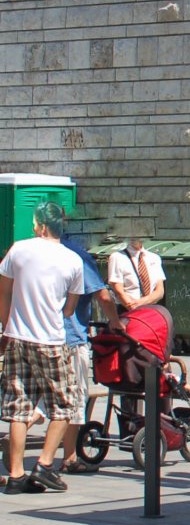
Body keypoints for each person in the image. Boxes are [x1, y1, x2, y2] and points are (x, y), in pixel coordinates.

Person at [0, 202, 84, 494]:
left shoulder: (18, 250)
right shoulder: (72, 261)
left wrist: (7, 328)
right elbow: (70, 309)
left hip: (16, 338)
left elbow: (4, 293)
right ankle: (45, 465)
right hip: (50, 340)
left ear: (41, 226)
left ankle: (15, 474)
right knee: (65, 404)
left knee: (18, 407)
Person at [54, 226, 115, 473]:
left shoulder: (33, 251)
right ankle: (68, 457)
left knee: (39, 400)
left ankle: (17, 440)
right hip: (71, 337)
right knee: (73, 400)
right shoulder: (76, 256)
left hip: (38, 336)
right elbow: (102, 295)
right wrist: (117, 322)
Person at [107, 234, 164, 312]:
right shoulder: (117, 257)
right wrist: (134, 309)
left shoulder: (154, 258)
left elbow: (160, 291)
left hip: (149, 310)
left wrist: (141, 302)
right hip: (128, 311)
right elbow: (119, 291)